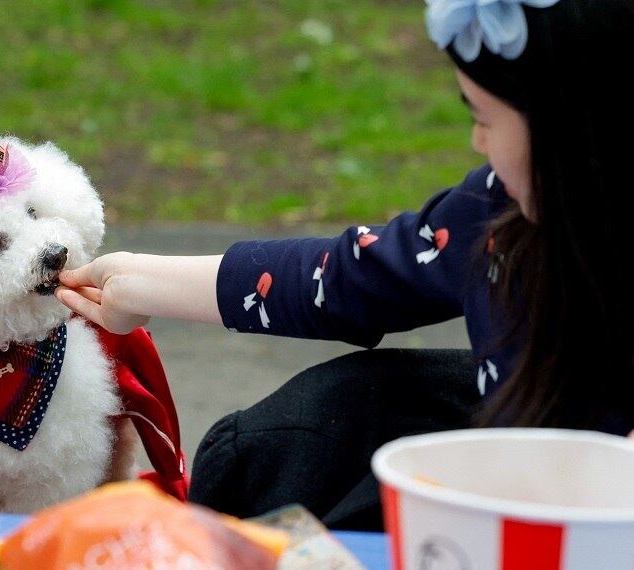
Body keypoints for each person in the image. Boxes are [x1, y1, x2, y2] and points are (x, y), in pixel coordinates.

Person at [56, 0, 633, 529]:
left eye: (484, 116)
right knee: (299, 434)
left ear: (576, 129)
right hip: (520, 492)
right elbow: (344, 279)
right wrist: (137, 284)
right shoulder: (495, 214)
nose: (477, 141)